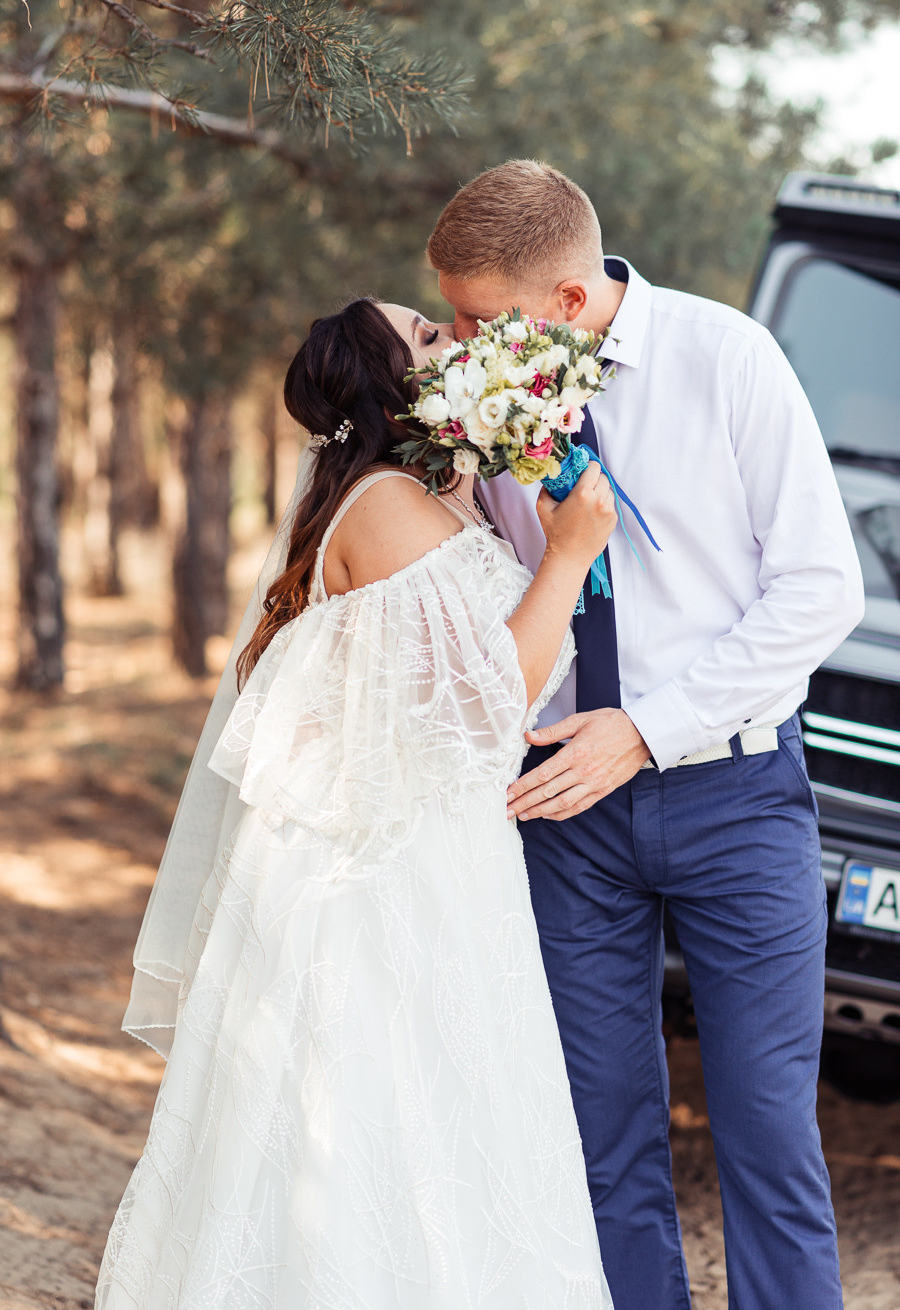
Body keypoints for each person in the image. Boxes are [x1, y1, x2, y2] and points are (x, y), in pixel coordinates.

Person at [95, 297, 618, 1308]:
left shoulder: (432, 499)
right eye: (425, 335)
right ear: (390, 390)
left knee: (444, 1136)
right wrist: (569, 555)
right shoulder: (384, 506)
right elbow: (489, 703)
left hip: (442, 857)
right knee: (378, 1136)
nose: (452, 340)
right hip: (383, 882)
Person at [426, 159, 865, 1310]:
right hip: (562, 811)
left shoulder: (729, 359)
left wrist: (646, 730)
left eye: (478, 319)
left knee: (768, 1135)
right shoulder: (479, 402)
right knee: (599, 1139)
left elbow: (823, 590)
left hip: (738, 799)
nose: (458, 343)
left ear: (568, 301)